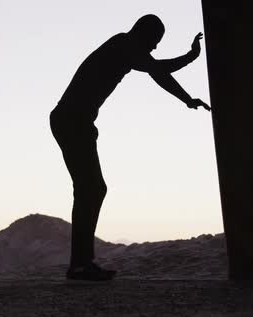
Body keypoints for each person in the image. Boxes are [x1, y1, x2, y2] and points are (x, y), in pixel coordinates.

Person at [50, 14, 211, 281]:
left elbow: (157, 73)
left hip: (75, 121)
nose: (155, 47)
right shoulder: (123, 45)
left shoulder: (125, 48)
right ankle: (80, 265)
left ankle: (81, 263)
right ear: (143, 33)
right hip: (72, 120)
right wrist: (192, 57)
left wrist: (186, 99)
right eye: (155, 41)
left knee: (91, 189)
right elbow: (159, 69)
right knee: (91, 188)